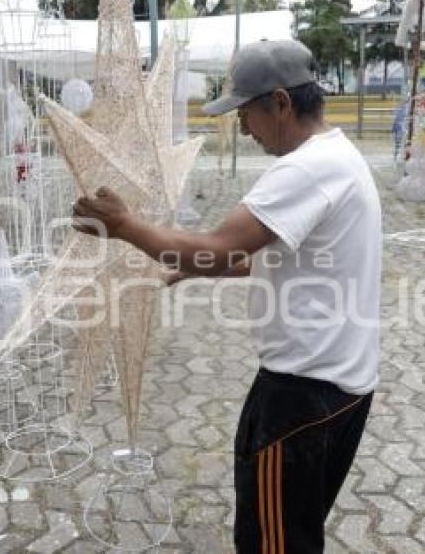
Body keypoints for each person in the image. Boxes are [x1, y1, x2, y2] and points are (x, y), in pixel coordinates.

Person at [72, 39, 382, 554]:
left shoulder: (305, 169)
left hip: (303, 395)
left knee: (272, 543)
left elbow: (217, 248)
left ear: (280, 103)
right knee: (294, 530)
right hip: (341, 388)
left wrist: (124, 226)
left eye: (246, 114)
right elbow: (278, 257)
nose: (243, 129)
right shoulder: (339, 155)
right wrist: (194, 272)